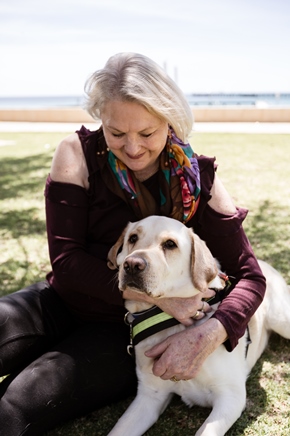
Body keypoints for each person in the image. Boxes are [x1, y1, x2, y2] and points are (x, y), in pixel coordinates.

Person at [0, 52, 266, 435]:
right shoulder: (76, 153)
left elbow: (250, 277)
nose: (133, 148)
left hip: (125, 332)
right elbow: (66, 260)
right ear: (101, 121)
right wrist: (162, 298)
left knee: (14, 405)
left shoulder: (200, 179)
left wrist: (210, 333)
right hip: (58, 301)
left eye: (147, 133)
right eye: (117, 133)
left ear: (170, 122)